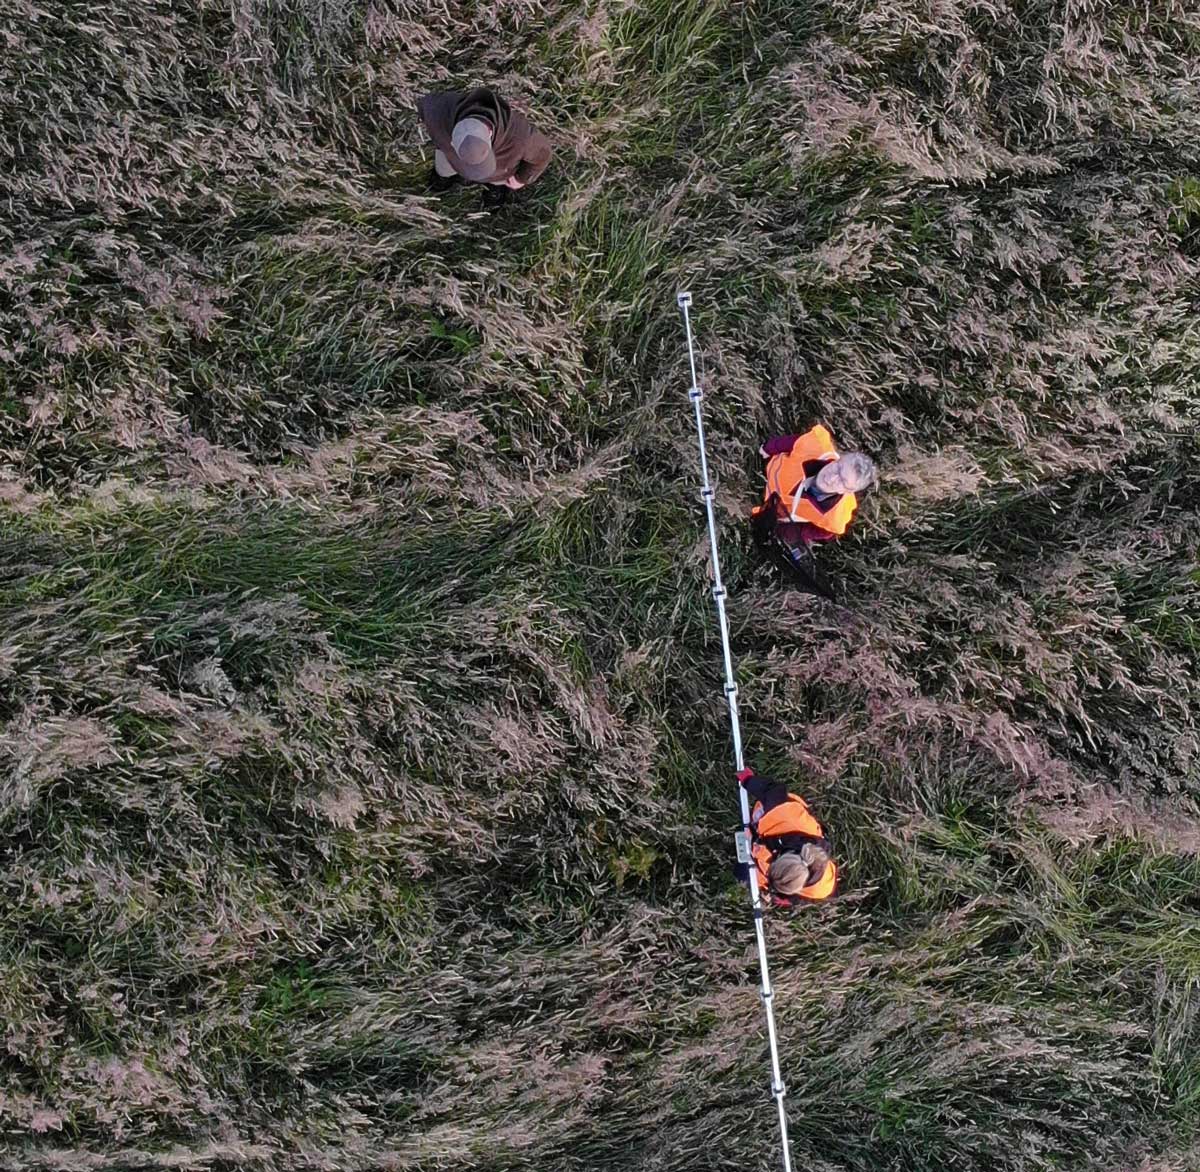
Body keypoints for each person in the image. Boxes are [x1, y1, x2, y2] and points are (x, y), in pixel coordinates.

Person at [751, 424, 875, 550]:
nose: (831, 477)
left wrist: (787, 532)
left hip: (762, 505)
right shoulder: (816, 445)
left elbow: (821, 532)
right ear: (838, 459)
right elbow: (793, 442)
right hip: (765, 467)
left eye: (842, 481)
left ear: (847, 491)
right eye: (838, 468)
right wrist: (767, 448)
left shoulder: (835, 518)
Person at [417, 87, 552, 198]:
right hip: (450, 157)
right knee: (443, 169)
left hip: (500, 173)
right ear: (453, 142)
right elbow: (422, 106)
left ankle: (495, 191)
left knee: (497, 181)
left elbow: (543, 155)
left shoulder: (522, 137)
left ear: (489, 133)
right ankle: (442, 181)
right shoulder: (435, 109)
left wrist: (521, 179)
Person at [736, 767, 837, 905]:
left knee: (741, 874)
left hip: (766, 854)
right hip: (774, 816)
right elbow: (772, 791)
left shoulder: (821, 888)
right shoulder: (788, 817)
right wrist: (749, 780)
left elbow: (803, 898)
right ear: (781, 856)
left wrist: (786, 899)